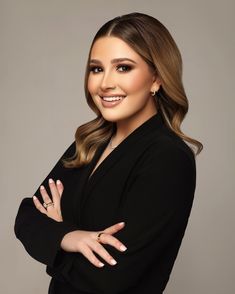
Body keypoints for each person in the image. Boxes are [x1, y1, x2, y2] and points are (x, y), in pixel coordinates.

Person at [14, 12, 203, 294]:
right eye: (96, 69)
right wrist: (70, 235)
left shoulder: (168, 158)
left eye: (123, 68)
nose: (104, 84)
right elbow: (27, 217)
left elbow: (111, 280)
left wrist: (57, 239)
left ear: (156, 79)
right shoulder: (90, 142)